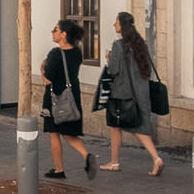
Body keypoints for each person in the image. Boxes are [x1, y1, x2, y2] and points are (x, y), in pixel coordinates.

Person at [102, 10, 164, 176]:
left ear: (122, 25)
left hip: (122, 93)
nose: (114, 24)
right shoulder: (141, 44)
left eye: (116, 21)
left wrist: (109, 58)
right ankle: (156, 159)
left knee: (116, 126)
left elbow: (114, 70)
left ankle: (114, 162)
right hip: (141, 92)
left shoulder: (118, 46)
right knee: (138, 127)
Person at [41, 18, 94, 180]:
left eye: (55, 29)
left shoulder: (55, 54)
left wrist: (42, 67)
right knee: (69, 133)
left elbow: (48, 78)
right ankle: (86, 156)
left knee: (54, 133)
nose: (53, 32)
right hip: (72, 97)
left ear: (63, 34)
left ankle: (59, 169)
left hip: (55, 97)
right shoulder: (77, 53)